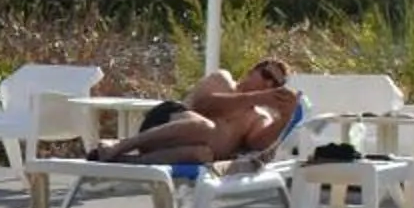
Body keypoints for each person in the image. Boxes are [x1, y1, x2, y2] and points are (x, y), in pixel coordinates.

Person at [94, 60, 299, 166]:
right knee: (204, 127)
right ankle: (121, 145)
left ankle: (129, 163)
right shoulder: (223, 80)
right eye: (266, 75)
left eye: (275, 83)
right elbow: (205, 105)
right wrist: (256, 98)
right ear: (251, 71)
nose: (268, 83)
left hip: (178, 151)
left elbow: (258, 144)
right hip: (166, 122)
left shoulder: (259, 117)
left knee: (203, 154)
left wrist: (285, 118)